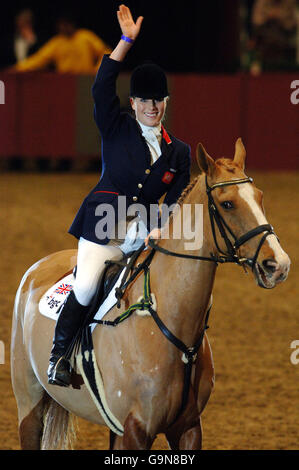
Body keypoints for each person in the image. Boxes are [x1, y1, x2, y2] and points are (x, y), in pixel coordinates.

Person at [47, 4, 191, 387]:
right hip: (101, 225)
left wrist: (161, 228)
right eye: (144, 101)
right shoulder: (116, 126)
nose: (151, 107)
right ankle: (58, 356)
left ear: (166, 103)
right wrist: (125, 43)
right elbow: (100, 86)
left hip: (142, 234)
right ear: (133, 104)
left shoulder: (180, 152)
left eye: (158, 100)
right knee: (88, 284)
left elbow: (175, 200)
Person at [11, 14, 112, 74]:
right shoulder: (57, 42)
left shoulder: (85, 37)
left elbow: (106, 52)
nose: (63, 27)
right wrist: (17, 68)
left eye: (65, 24)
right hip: (65, 81)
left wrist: (97, 71)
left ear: (72, 24)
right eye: (61, 25)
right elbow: (39, 59)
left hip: (85, 80)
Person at [250, 0, 297, 72]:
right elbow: (256, 23)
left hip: (284, 47)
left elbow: (292, 25)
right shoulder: (262, 2)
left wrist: (279, 18)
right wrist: (269, 18)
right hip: (265, 47)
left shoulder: (290, 2)